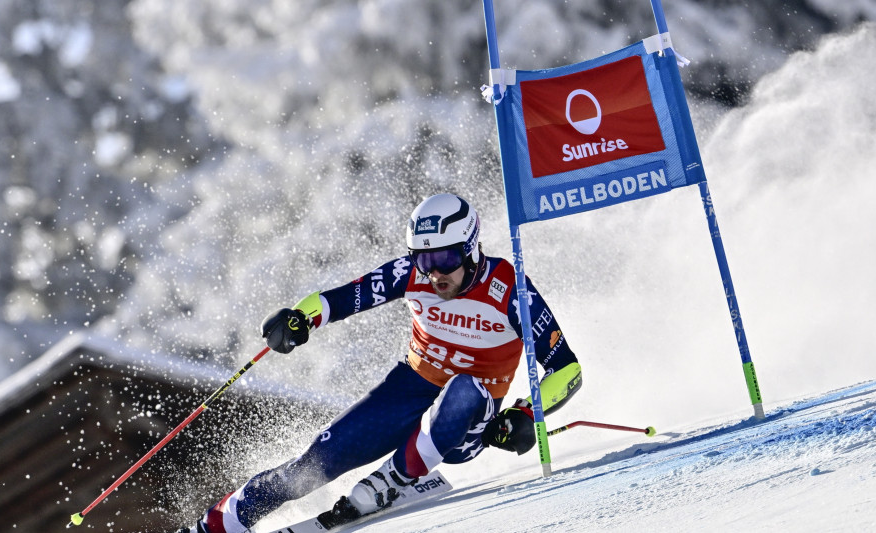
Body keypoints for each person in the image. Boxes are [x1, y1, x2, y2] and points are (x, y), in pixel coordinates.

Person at [181, 193, 582, 533]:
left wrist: (526, 413)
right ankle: (213, 526)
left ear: (471, 248)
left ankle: (394, 479)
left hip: (469, 419)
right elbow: (343, 298)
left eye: (444, 257)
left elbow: (567, 368)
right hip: (409, 390)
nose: (435, 273)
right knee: (312, 466)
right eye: (424, 259)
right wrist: (299, 318)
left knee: (464, 388)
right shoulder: (414, 274)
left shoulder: (510, 288)